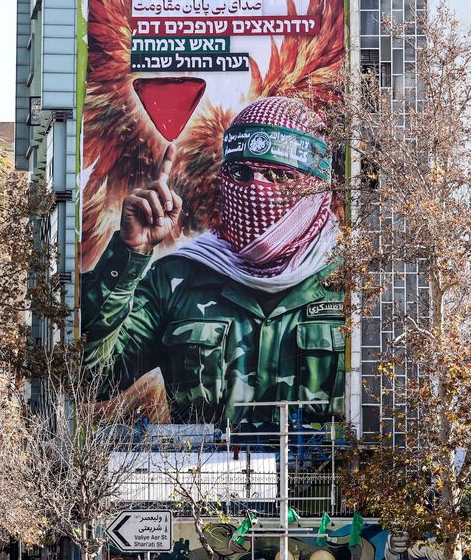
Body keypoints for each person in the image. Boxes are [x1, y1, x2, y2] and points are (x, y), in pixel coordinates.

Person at [83, 96, 344, 424]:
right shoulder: (177, 279)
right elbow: (93, 378)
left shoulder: (352, 281)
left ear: (316, 186)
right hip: (205, 460)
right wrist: (129, 252)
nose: (256, 189)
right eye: (240, 172)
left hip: (321, 460)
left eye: (277, 176)